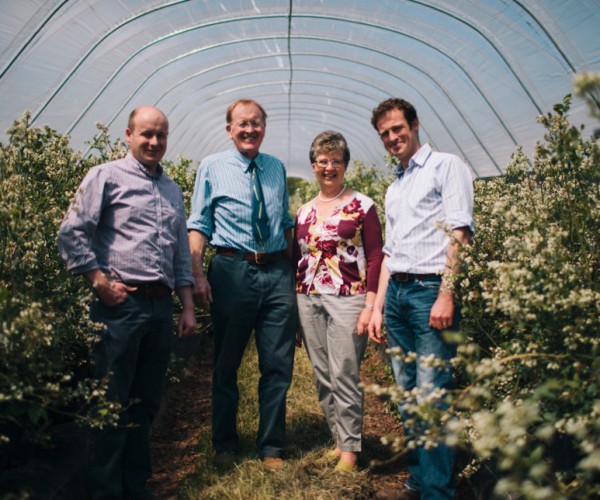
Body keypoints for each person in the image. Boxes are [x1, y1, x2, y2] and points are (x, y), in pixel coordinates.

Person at [58, 106, 197, 499]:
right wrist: (98, 280)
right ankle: (105, 491)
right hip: (119, 307)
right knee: (110, 404)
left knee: (145, 404)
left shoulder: (171, 189)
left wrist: (186, 306)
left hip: (159, 308)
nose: (154, 142)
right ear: (128, 134)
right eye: (146, 134)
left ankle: (136, 486)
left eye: (161, 136)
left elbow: (180, 256)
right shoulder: (105, 176)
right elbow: (72, 233)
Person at [367, 98, 474, 500]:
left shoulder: (447, 166)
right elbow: (391, 253)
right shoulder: (396, 186)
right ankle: (419, 479)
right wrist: (378, 306)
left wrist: (446, 294)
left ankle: (437, 491)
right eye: (385, 134)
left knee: (432, 396)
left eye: (398, 128)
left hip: (431, 291)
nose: (393, 137)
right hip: (397, 295)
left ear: (414, 124)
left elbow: (459, 234)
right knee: (408, 394)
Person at [187, 99, 297, 472]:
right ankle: (225, 443)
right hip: (233, 270)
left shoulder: (275, 168)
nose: (249, 129)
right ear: (229, 129)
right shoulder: (212, 167)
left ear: (264, 127)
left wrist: (293, 274)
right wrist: (197, 274)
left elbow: (284, 223)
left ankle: (271, 447)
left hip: (277, 270)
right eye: (242, 124)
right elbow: (199, 223)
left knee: (277, 364)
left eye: (256, 123)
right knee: (227, 362)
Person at [293, 130, 383, 471]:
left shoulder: (362, 205)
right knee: (322, 375)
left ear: (345, 165)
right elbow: (296, 260)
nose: (328, 167)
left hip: (349, 297)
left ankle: (350, 450)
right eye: (322, 161)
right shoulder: (303, 211)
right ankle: (338, 438)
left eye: (335, 161)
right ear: (313, 165)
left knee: (344, 371)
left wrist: (371, 305)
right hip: (309, 297)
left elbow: (375, 256)